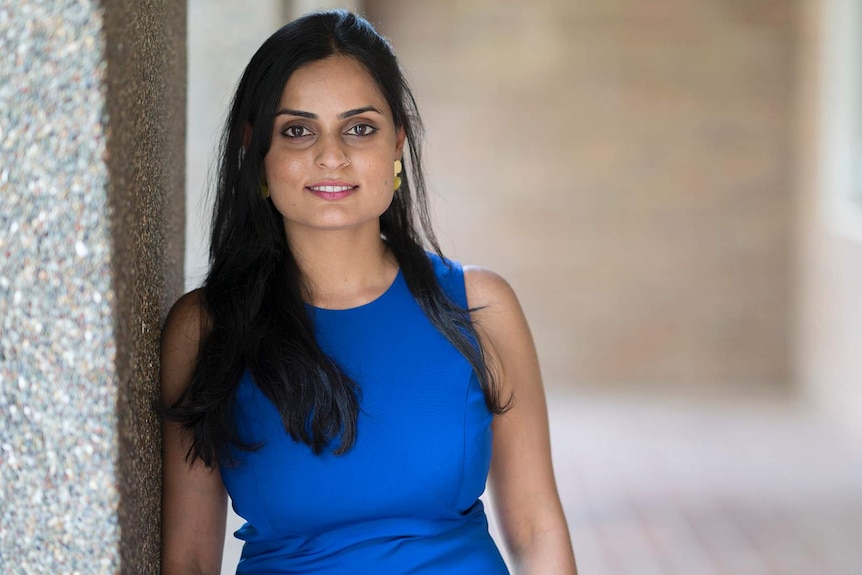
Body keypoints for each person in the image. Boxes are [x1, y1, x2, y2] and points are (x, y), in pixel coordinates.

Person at [159, 9, 576, 575]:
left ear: (397, 141)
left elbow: (536, 530)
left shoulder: (480, 308)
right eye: (298, 130)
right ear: (257, 148)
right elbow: (188, 560)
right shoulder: (206, 329)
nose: (331, 156)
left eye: (359, 128)